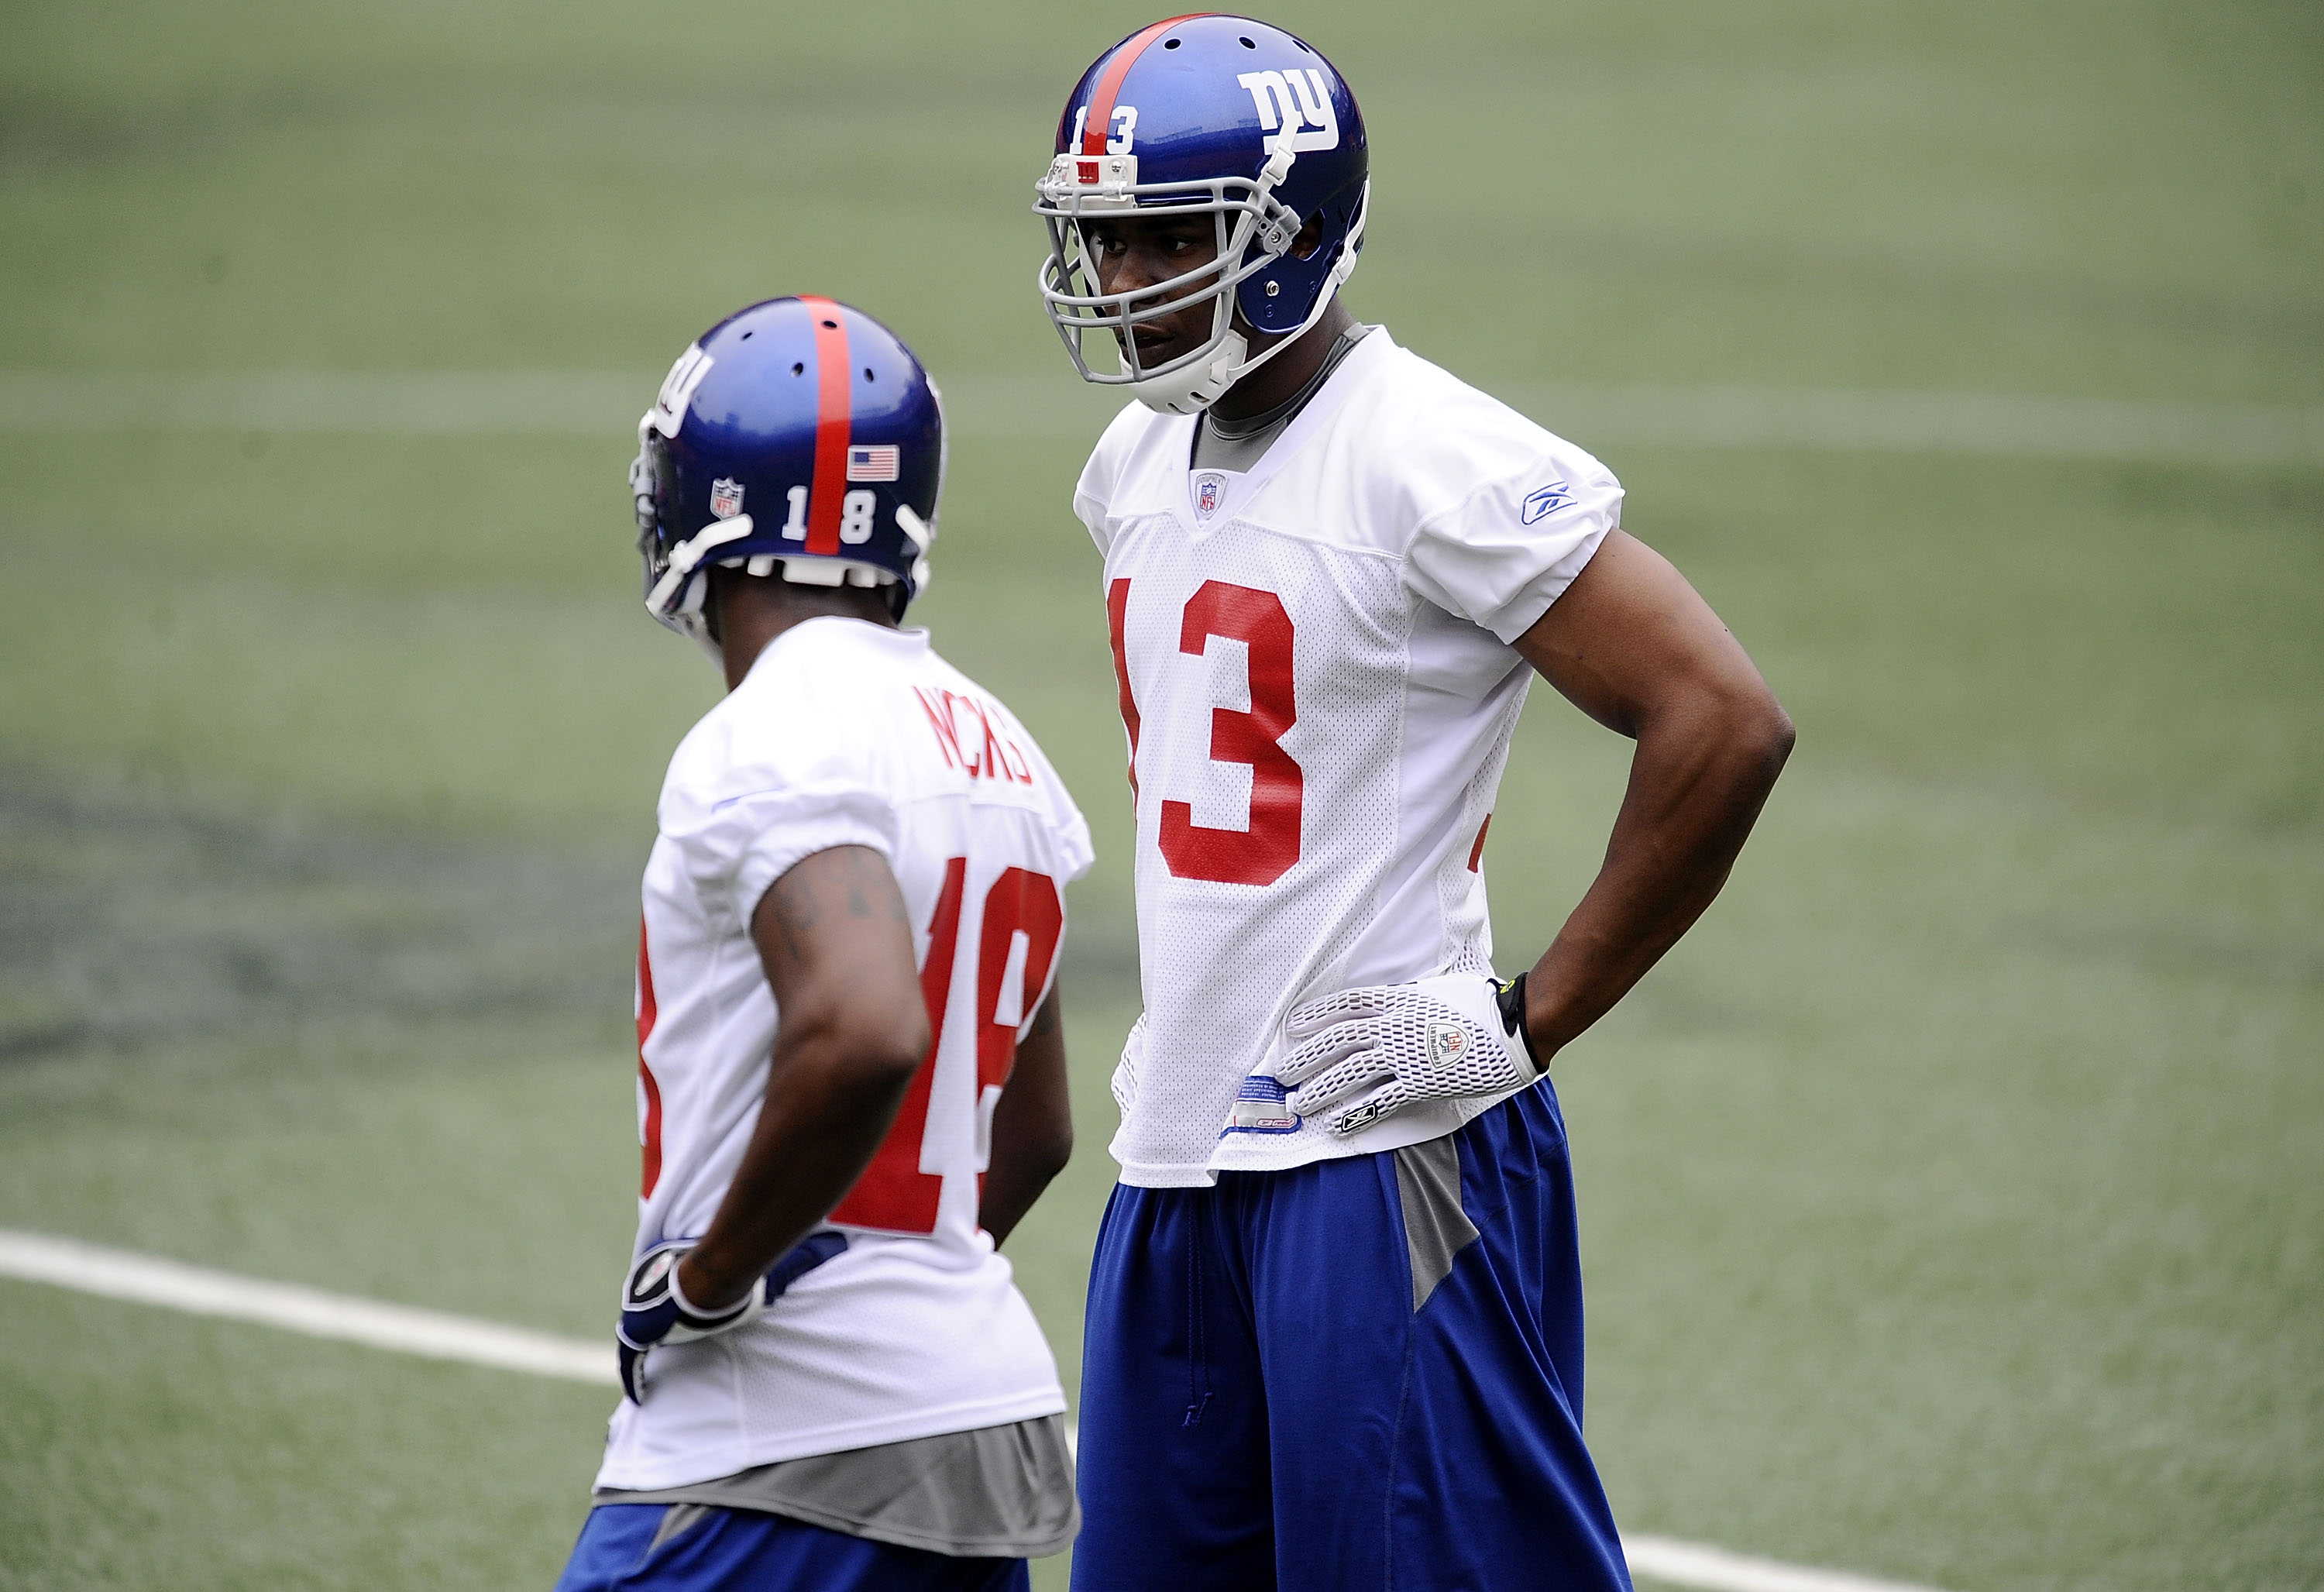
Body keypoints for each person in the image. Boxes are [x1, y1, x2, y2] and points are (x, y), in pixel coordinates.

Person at [1033, 16, 1796, 1590]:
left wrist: (1529, 1018)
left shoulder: (1425, 455)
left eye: (1169, 239)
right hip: (1171, 1150)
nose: (1125, 284)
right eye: (1106, 243)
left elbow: (1722, 718)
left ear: (1289, 236)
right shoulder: (1131, 458)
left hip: (1383, 1152)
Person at [552, 297, 1091, 1592]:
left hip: (778, 1442)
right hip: (978, 1426)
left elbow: (866, 1029)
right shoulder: (1000, 742)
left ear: (706, 496)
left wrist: (715, 1277)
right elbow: (1035, 1132)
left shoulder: (771, 732)